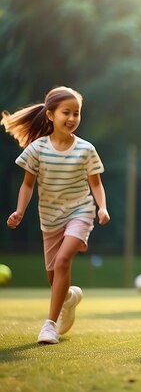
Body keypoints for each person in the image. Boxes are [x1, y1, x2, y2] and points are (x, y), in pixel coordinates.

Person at [2, 86, 110, 345]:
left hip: (80, 212)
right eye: (66, 112)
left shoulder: (85, 150)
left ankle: (50, 325)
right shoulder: (37, 149)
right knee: (54, 277)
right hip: (49, 218)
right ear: (50, 115)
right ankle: (69, 298)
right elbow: (28, 185)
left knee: (62, 262)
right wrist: (19, 211)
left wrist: (102, 207)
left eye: (76, 113)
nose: (72, 118)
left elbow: (95, 183)